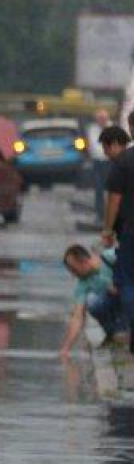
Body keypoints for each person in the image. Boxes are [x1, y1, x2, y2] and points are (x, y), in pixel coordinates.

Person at [98, 122, 134, 350]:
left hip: (130, 232)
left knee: (128, 283)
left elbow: (114, 199)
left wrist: (108, 230)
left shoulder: (124, 161)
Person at [57, 243, 121, 360]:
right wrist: (65, 349)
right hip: (115, 303)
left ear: (84, 261)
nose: (73, 275)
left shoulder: (110, 256)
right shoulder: (83, 283)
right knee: (92, 302)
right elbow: (77, 317)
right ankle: (114, 332)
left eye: (74, 270)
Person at [86, 108, 113, 226]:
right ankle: (99, 215)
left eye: (103, 119)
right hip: (97, 163)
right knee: (98, 189)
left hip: (111, 163)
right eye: (99, 119)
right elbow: (94, 147)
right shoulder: (92, 129)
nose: (101, 121)